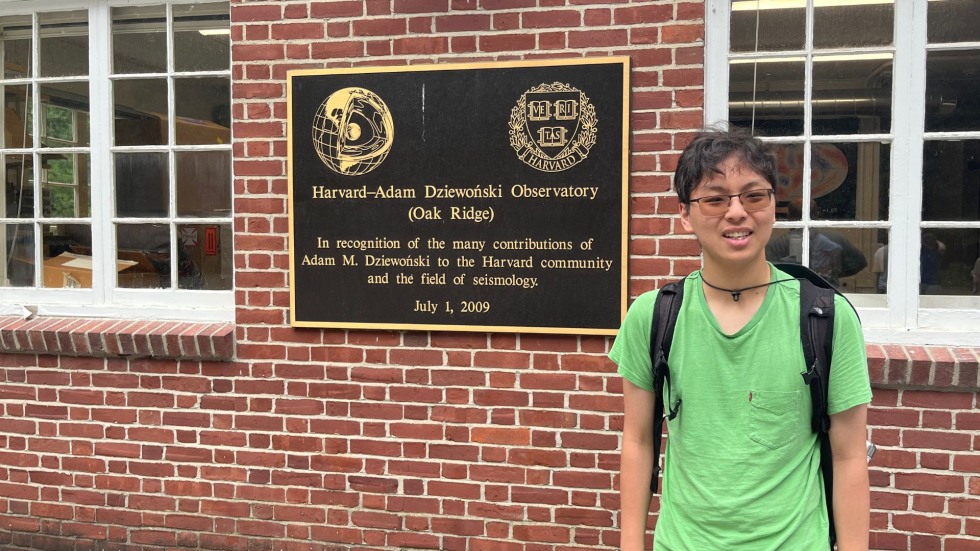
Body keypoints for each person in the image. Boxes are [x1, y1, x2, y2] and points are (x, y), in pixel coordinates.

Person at [611, 126, 872, 550]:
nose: (737, 213)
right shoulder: (653, 315)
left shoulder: (825, 316)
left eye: (754, 196)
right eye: (715, 199)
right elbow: (639, 440)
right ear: (684, 213)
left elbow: (849, 456)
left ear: (773, 205)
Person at [765, 199, 868, 287]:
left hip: (793, 294)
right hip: (828, 292)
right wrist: (833, 273)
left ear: (789, 217)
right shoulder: (836, 238)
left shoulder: (777, 243)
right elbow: (859, 262)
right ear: (817, 215)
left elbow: (767, 270)